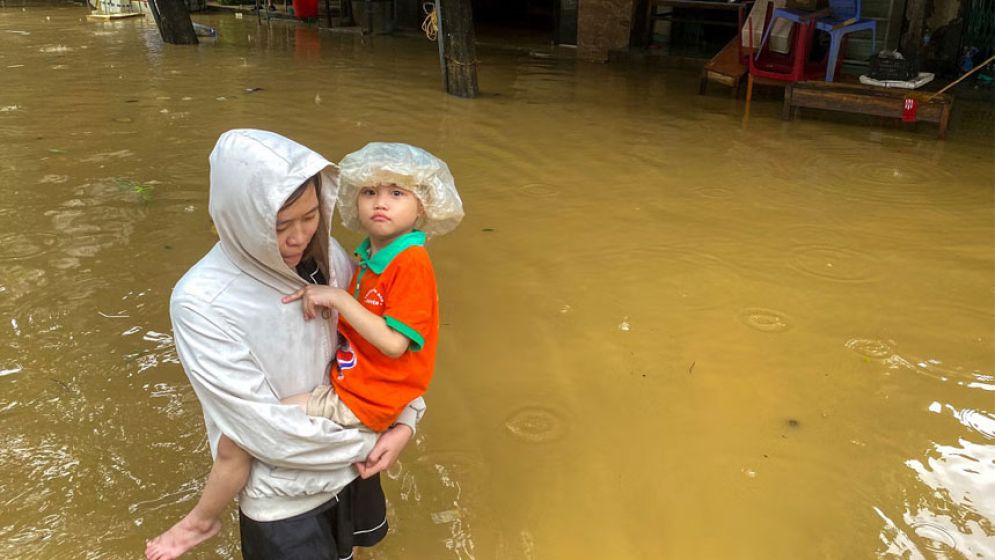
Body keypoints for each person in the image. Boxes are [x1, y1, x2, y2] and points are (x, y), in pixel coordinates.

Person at [145, 129, 425, 560]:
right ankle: (200, 520)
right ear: (240, 218)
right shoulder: (201, 303)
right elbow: (265, 432)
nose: (299, 237)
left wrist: (405, 420)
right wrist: (376, 436)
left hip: (358, 464)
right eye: (279, 226)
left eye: (310, 216)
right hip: (287, 497)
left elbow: (385, 345)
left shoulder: (328, 254)